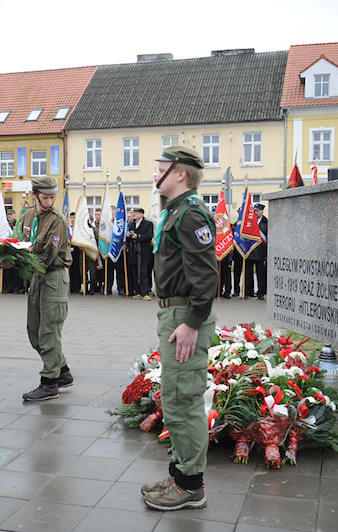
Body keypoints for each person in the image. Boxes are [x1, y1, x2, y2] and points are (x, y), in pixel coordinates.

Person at [141, 145, 217, 511]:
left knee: (183, 401)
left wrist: (191, 323)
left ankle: (190, 487)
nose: (156, 175)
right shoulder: (175, 211)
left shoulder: (190, 215)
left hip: (185, 315)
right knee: (174, 399)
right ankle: (180, 474)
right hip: (175, 312)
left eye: (161, 169)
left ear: (180, 173)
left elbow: (207, 275)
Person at [14, 176, 74, 401]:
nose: (49, 202)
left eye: (52, 197)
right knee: (34, 331)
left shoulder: (57, 220)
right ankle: (63, 372)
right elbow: (18, 241)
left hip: (53, 276)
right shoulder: (28, 216)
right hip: (36, 276)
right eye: (45, 198)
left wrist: (17, 261)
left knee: (49, 331)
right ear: (34, 195)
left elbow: (48, 256)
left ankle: (49, 383)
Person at [128, 208, 153, 300]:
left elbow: (149, 236)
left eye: (136, 213)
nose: (134, 214)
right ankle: (138, 291)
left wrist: (138, 236)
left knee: (143, 271)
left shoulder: (148, 224)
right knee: (134, 271)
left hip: (143, 251)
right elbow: (129, 238)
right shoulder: (132, 224)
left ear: (141, 214)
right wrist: (128, 235)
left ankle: (145, 292)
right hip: (133, 251)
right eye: (133, 213)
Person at [249, 203, 268, 301]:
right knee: (249, 274)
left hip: (261, 252)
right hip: (250, 251)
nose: (256, 212)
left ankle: (260, 292)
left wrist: (267, 254)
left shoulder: (266, 223)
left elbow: (268, 239)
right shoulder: (249, 222)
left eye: (258, 211)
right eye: (255, 211)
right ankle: (249, 291)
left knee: (261, 274)